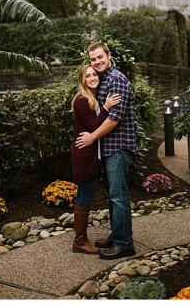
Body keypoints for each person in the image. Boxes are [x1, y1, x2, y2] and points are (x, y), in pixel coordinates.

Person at [76, 42, 137, 260]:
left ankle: (125, 244)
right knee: (114, 196)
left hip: (118, 145)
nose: (97, 62)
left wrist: (92, 137)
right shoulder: (104, 80)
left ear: (109, 55)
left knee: (119, 196)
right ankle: (117, 235)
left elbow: (114, 119)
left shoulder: (117, 79)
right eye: (93, 59)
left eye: (100, 57)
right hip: (109, 147)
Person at [70, 65, 120, 254]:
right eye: (87, 76)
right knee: (84, 195)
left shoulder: (91, 97)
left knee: (85, 194)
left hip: (89, 153)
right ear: (82, 80)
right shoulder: (82, 100)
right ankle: (80, 241)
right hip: (84, 154)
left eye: (94, 74)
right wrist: (107, 107)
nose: (92, 78)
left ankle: (80, 239)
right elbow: (92, 125)